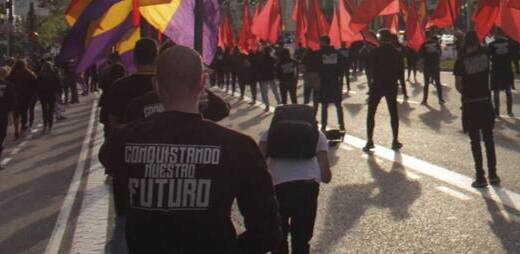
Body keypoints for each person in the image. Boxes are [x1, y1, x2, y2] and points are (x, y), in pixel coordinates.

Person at [99, 45, 281, 254]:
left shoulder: (124, 140)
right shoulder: (238, 147)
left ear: (156, 85)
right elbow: (267, 232)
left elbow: (108, 160)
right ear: (202, 83)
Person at [259, 104, 331, 254]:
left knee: (279, 238)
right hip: (307, 187)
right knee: (301, 239)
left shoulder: (269, 134)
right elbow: (325, 177)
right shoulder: (317, 135)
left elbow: (257, 166)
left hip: (277, 188)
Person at [455, 31, 499, 187]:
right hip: (485, 101)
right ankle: (493, 174)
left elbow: (459, 85)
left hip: (470, 103)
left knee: (475, 141)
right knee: (489, 140)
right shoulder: (485, 56)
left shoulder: (461, 62)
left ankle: (480, 176)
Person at [364, 29, 406, 152]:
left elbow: (368, 68)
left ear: (380, 39)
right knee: (393, 113)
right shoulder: (396, 53)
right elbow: (401, 72)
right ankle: (395, 140)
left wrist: (371, 81)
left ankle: (370, 140)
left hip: (377, 84)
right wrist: (402, 87)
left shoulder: (375, 51)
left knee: (371, 113)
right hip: (391, 84)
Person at [314, 37, 345, 131]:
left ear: (323, 42)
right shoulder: (337, 53)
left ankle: (324, 125)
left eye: (320, 42)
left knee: (324, 104)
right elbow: (343, 64)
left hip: (324, 81)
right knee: (338, 104)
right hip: (335, 80)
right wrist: (339, 74)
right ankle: (341, 125)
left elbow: (314, 66)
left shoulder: (319, 54)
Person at [488, 27, 517, 118]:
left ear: (496, 34)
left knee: (496, 91)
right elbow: (513, 55)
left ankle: (497, 112)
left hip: (496, 70)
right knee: (508, 90)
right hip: (507, 69)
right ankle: (509, 111)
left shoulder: (492, 44)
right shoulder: (510, 43)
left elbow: (488, 56)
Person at [8, 59, 35, 135]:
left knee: (16, 113)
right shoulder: (28, 73)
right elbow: (34, 83)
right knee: (24, 112)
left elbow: (8, 84)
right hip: (26, 96)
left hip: (15, 96)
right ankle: (23, 126)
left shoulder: (12, 74)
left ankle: (16, 129)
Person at [419, 31, 444, 107]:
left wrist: (420, 65)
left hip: (427, 66)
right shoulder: (436, 44)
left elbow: (422, 57)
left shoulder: (424, 45)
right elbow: (440, 53)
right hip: (435, 66)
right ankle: (440, 99)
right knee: (438, 82)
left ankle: (424, 100)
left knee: (426, 83)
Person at [36, 62, 62, 133]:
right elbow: (58, 85)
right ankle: (50, 126)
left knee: (44, 110)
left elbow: (37, 85)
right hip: (52, 94)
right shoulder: (54, 74)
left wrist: (38, 94)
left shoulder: (40, 75)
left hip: (43, 95)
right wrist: (59, 94)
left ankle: (45, 125)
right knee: (51, 111)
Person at [0, 65, 14, 166]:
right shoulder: (9, 85)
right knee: (2, 135)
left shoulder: (9, 85)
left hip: (4, 112)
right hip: (3, 113)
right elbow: (12, 101)